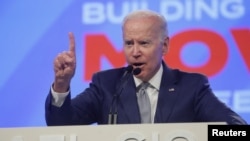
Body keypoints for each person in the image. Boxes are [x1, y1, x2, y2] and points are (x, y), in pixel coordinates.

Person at [45, 9, 247, 125]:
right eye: (128, 43)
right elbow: (60, 125)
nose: (135, 52)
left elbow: (235, 129)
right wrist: (61, 85)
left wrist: (198, 136)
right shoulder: (106, 85)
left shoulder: (191, 87)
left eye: (144, 43)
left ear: (165, 45)